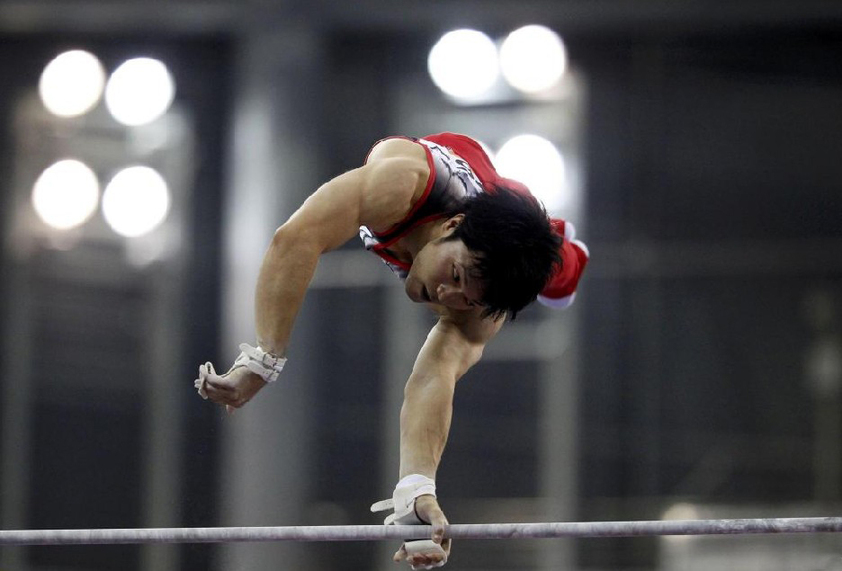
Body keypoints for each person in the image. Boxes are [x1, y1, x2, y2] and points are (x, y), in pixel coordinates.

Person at [194, 132, 589, 570]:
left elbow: (433, 376)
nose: (445, 293)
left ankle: (565, 251)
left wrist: (416, 489)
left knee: (557, 267)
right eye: (454, 274)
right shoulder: (403, 183)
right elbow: (297, 237)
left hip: (505, 218)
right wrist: (265, 358)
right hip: (473, 178)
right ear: (451, 226)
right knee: (524, 218)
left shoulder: (480, 306)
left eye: (465, 297)